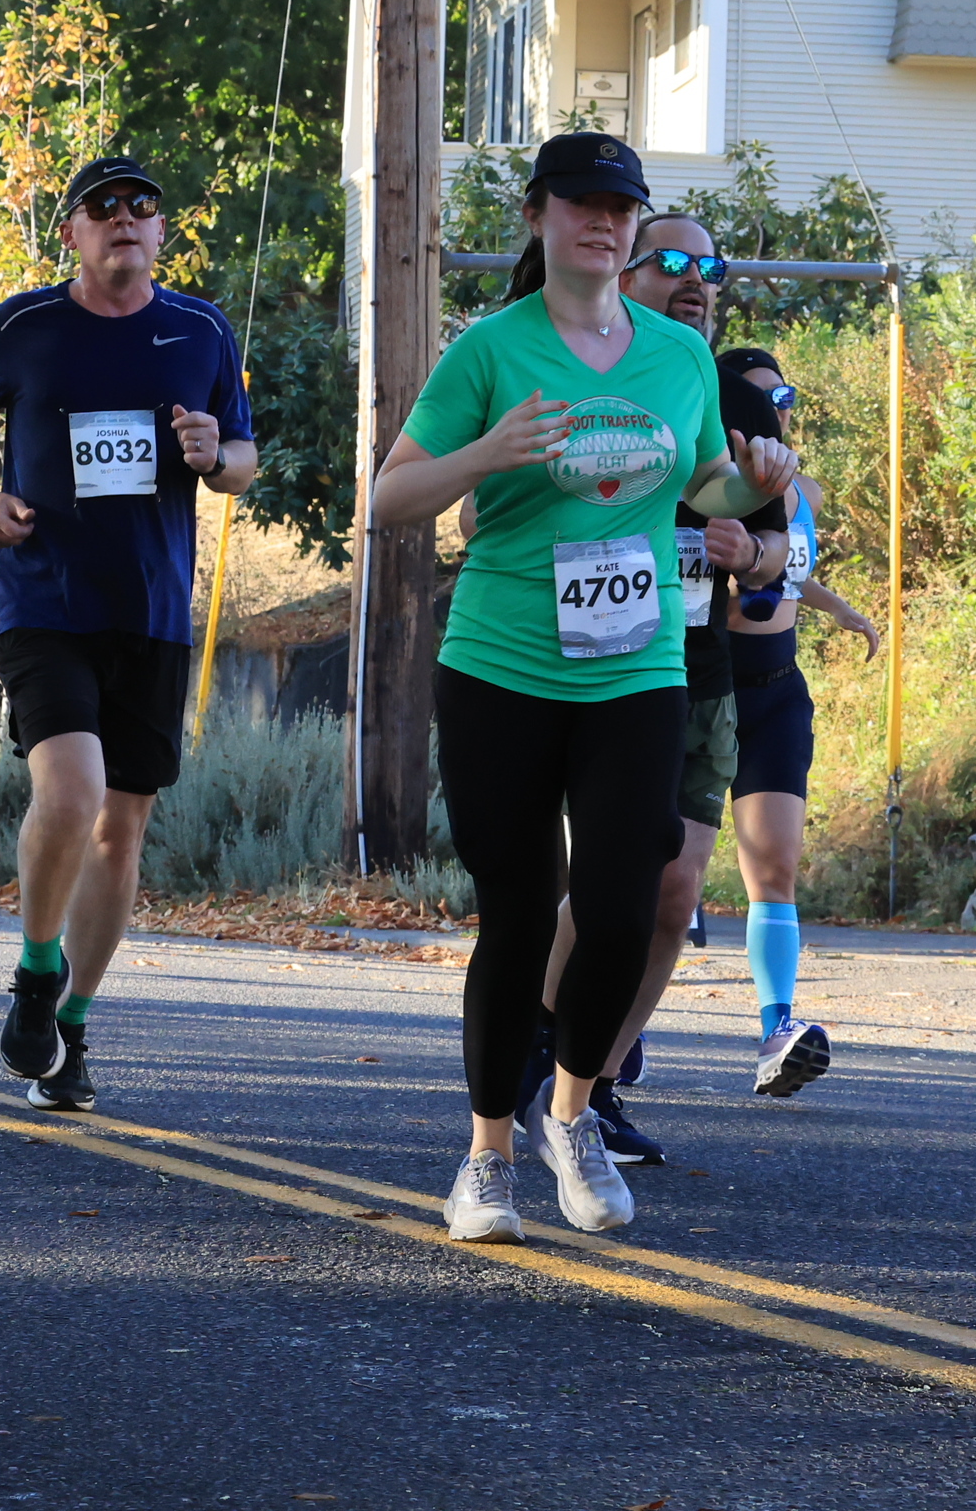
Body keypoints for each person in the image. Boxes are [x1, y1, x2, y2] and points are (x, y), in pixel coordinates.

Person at [371, 130, 796, 1244]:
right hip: (502, 667)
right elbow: (390, 499)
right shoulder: (491, 349)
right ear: (540, 216)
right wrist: (488, 453)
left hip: (636, 665)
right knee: (518, 916)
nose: (602, 223)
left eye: (620, 207)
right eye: (581, 203)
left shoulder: (679, 356)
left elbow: (701, 479)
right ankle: (485, 1159)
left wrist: (753, 481)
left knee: (621, 904)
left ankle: (570, 1115)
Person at [0, 155, 257, 1111]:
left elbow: (244, 457)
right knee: (70, 794)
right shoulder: (25, 325)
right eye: (102, 207)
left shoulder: (200, 328)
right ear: (72, 232)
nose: (124, 218)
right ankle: (37, 974)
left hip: (151, 613)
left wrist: (217, 455)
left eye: (141, 206)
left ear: (160, 230)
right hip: (46, 601)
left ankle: (71, 1027)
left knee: (122, 832)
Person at [511, 215, 789, 1165]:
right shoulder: (560, 373)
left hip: (694, 672)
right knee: (601, 879)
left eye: (711, 266)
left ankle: (589, 1088)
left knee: (673, 893)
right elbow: (485, 515)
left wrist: (748, 549)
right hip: (574, 664)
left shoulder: (735, 399)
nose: (695, 279)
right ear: (623, 275)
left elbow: (778, 547)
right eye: (671, 262)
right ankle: (535, 1053)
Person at [718, 345, 884, 1100]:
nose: (774, 413)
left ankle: (776, 1029)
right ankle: (611, 1035)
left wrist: (837, 606)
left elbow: (789, 566)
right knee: (663, 884)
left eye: (782, 398)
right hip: (702, 690)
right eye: (757, 401)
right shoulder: (703, 489)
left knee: (775, 866)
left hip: (777, 691)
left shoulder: (803, 490)